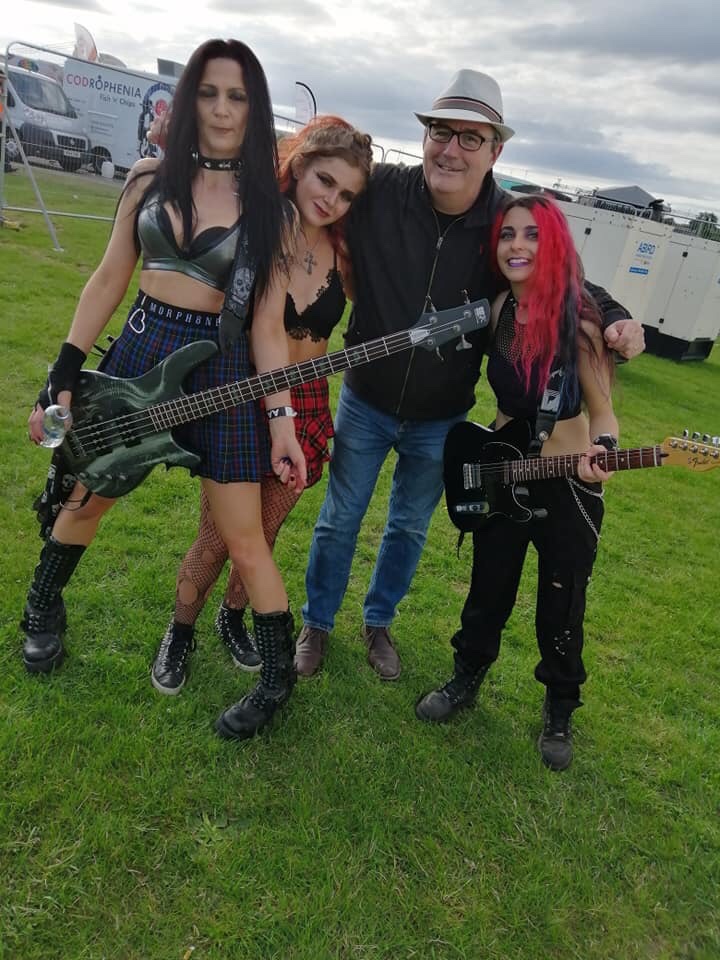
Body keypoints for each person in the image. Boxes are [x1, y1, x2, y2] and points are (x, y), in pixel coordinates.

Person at [295, 68, 644, 680]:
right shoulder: (383, 191)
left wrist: (614, 316)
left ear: (495, 151)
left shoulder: (506, 222)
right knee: (339, 519)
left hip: (442, 414)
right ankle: (316, 624)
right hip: (366, 398)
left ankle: (378, 623)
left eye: (470, 138)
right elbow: (311, 188)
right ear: (425, 136)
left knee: (408, 527)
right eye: (441, 132)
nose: (451, 149)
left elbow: (565, 275)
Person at [21, 38, 307, 742]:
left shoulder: (272, 212)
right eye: (208, 93)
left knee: (244, 537)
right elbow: (107, 280)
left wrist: (281, 424)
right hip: (140, 350)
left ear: (255, 108)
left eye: (237, 96)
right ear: (188, 101)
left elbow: (269, 328)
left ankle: (277, 681)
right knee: (89, 494)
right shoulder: (149, 179)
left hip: (226, 373)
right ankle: (42, 608)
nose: (221, 109)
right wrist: (62, 374)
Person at [150, 115, 373, 697]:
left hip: (310, 403)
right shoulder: (256, 224)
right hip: (246, 394)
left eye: (347, 194)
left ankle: (232, 616)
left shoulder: (345, 253)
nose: (332, 200)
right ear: (298, 166)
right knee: (220, 536)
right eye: (325, 181)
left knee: (265, 531)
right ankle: (179, 631)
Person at [416, 194, 618, 772]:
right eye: (508, 235)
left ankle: (560, 708)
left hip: (568, 484)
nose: (517, 245)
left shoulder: (580, 322)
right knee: (488, 588)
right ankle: (466, 676)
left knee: (562, 602)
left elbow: (604, 414)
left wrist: (603, 452)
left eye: (532, 235)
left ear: (553, 245)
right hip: (503, 471)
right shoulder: (500, 307)